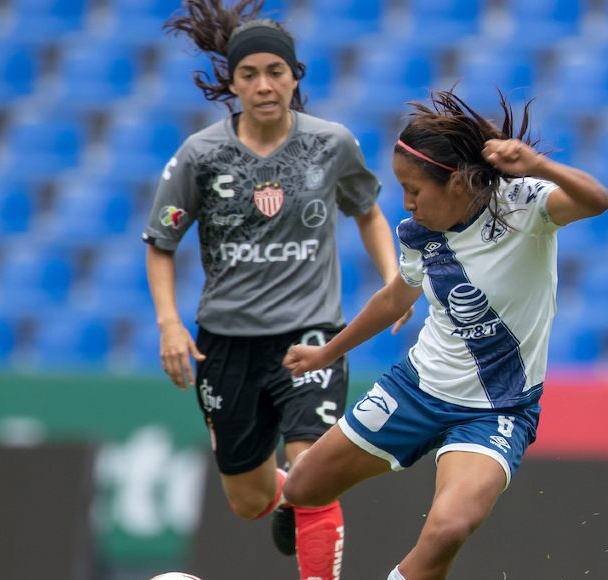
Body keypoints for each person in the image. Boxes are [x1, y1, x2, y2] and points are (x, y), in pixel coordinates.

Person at [281, 90, 608, 580]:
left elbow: (597, 201)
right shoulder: (418, 234)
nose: (406, 202)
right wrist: (326, 353)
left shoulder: (524, 206)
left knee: (447, 531)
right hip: (416, 389)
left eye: (413, 189)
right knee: (302, 488)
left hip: (497, 410)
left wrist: (539, 165)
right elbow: (395, 299)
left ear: (455, 182)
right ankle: (287, 495)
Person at [144, 1, 410, 578]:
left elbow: (367, 211)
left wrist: (393, 279)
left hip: (310, 335)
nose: (264, 85)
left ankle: (305, 503)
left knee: (315, 470)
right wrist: (168, 323)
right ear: (232, 83)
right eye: (249, 74)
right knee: (248, 501)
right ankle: (288, 491)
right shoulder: (200, 155)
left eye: (275, 72)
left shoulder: (331, 144)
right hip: (227, 343)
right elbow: (160, 243)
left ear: (295, 77)